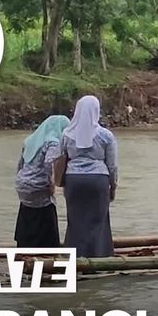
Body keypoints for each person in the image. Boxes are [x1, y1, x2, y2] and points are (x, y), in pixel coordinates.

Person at [55, 96, 118, 258]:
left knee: (75, 220)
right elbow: (112, 165)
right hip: (98, 180)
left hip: (74, 180)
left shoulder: (67, 134)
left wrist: (61, 184)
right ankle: (98, 255)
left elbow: (60, 158)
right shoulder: (106, 135)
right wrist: (113, 186)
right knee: (99, 220)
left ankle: (75, 256)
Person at [14, 115, 71, 248]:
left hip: (22, 183)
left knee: (28, 212)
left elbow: (21, 163)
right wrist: (51, 184)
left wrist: (19, 179)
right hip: (38, 184)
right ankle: (48, 245)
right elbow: (48, 163)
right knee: (47, 210)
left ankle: (24, 242)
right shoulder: (53, 142)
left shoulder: (30, 140)